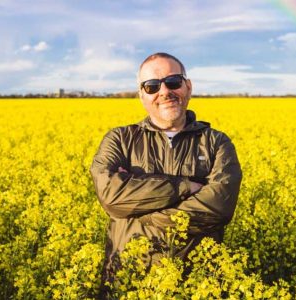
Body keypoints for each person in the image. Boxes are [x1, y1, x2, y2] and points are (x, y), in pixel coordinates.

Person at [90, 52, 242, 292]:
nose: (164, 92)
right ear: (141, 95)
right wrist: (185, 187)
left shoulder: (216, 142)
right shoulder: (119, 140)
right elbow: (112, 197)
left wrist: (139, 213)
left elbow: (218, 208)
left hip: (195, 287)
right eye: (151, 86)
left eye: (173, 82)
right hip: (128, 283)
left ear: (188, 86)